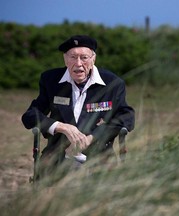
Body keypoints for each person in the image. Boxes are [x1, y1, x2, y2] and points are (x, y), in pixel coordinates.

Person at [22, 35, 135, 177]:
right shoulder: (50, 80)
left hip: (100, 158)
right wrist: (61, 127)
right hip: (56, 158)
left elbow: (126, 116)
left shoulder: (113, 83)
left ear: (93, 58)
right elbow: (30, 115)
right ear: (65, 59)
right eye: (73, 57)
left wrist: (91, 138)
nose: (79, 63)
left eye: (84, 57)